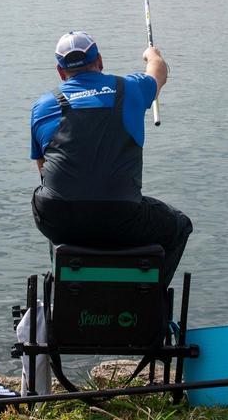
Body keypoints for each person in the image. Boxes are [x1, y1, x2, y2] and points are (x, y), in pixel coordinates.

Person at [30, 30, 192, 288]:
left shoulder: (43, 106)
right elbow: (158, 72)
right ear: (101, 61)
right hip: (122, 216)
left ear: (60, 72)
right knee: (180, 226)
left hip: (61, 220)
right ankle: (150, 304)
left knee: (49, 199)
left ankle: (70, 291)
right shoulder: (129, 89)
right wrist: (152, 55)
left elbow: (43, 170)